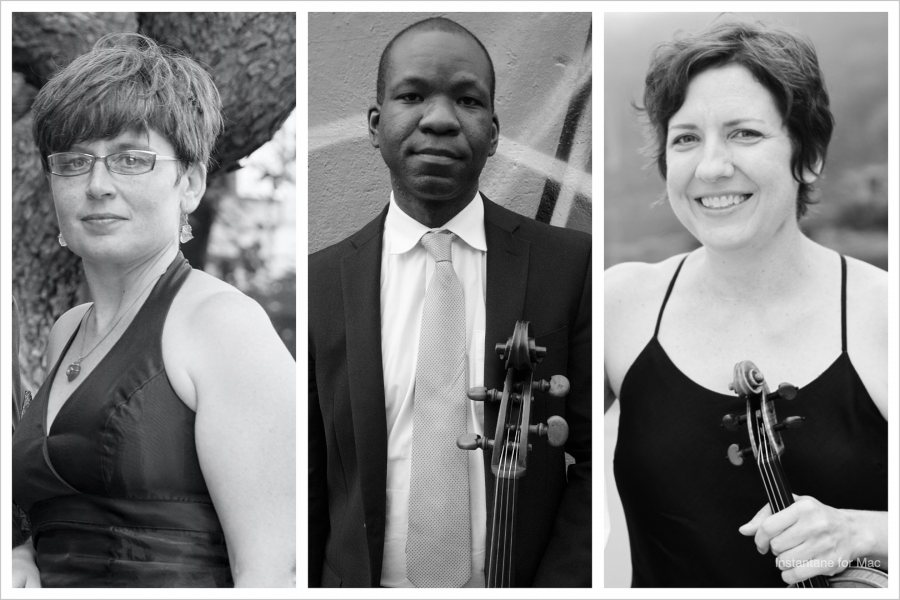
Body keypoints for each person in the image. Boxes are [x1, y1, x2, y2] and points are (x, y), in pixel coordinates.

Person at [308, 17, 591, 588]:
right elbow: (311, 476)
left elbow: (595, 457)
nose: (438, 120)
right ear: (375, 123)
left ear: (493, 131)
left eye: (466, 100)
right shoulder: (322, 281)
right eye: (412, 96)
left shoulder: (570, 265)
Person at [604, 20, 887, 587]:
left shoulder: (882, 313)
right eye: (686, 138)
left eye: (745, 134)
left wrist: (870, 532)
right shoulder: (623, 303)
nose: (711, 167)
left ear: (808, 158)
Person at [11, 33, 295, 588]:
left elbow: (273, 570)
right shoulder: (67, 331)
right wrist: (26, 556)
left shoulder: (222, 325)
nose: (97, 185)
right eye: (73, 162)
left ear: (189, 182)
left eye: (131, 159)